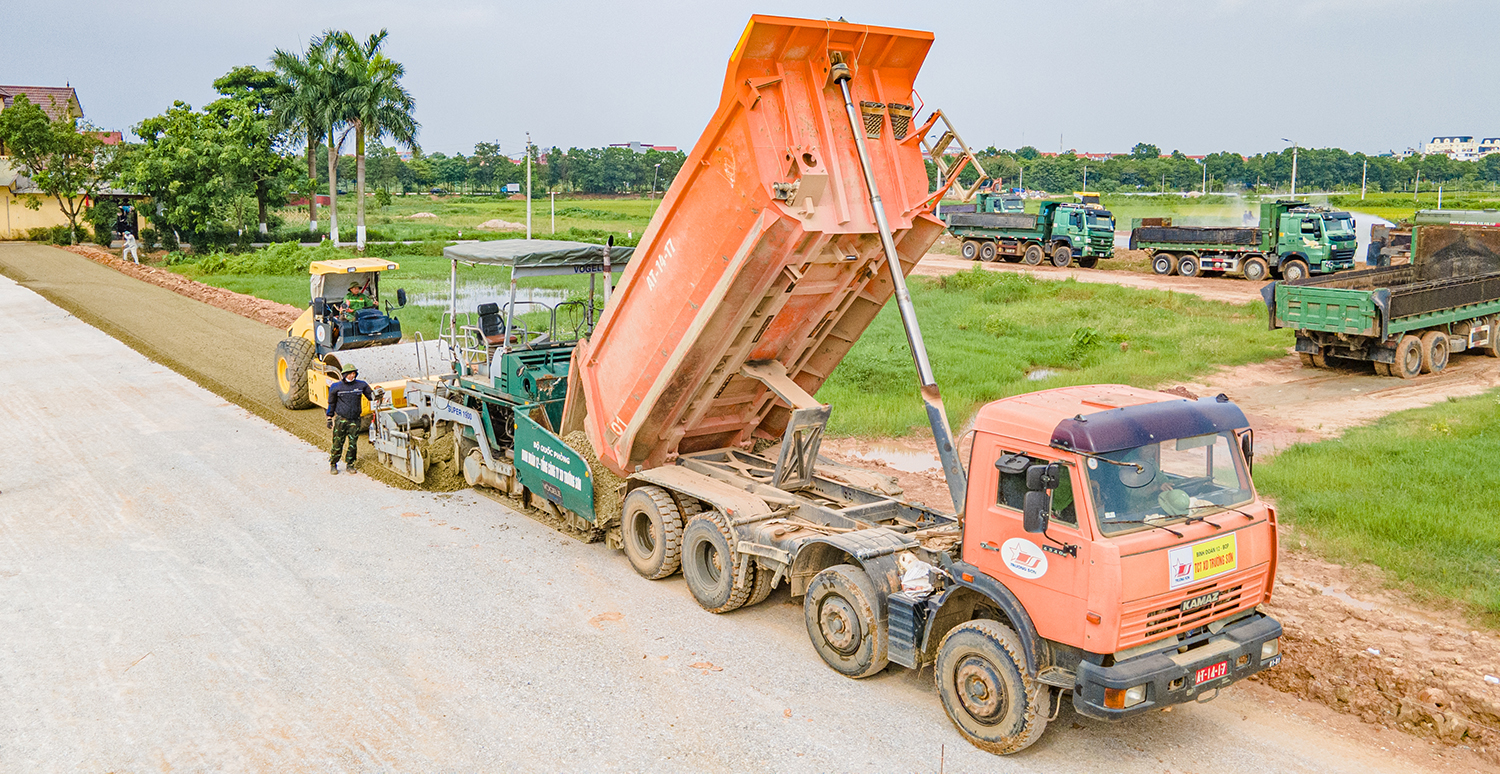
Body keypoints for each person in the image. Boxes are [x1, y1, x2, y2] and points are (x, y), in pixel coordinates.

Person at [326, 363, 374, 474]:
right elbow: (331, 403)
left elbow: (371, 396)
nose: (351, 376)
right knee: (337, 443)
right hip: (341, 420)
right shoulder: (336, 387)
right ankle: (333, 464)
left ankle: (350, 464)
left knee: (353, 444)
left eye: (353, 374)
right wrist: (329, 417)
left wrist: (378, 394)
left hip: (355, 420)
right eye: (349, 374)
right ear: (344, 374)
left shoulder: (361, 385)